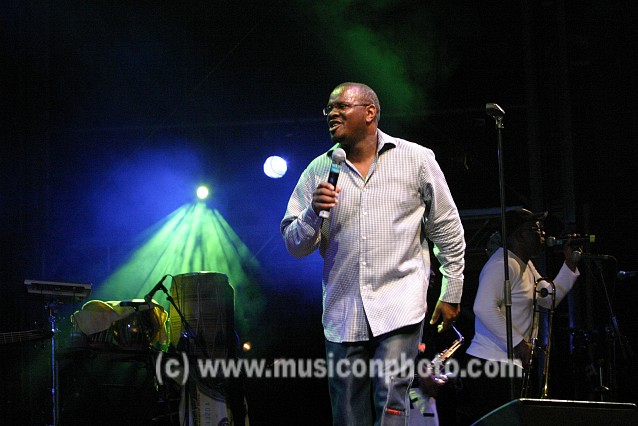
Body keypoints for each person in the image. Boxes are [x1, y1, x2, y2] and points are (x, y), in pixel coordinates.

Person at [280, 82, 466, 426]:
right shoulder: (318, 170)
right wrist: (312, 212)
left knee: (390, 401)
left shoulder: (416, 159)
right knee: (348, 414)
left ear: (370, 113)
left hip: (400, 303)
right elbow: (295, 246)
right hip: (343, 311)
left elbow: (446, 227)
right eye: (329, 109)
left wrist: (451, 290)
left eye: (341, 106)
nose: (332, 114)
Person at [458, 208, 580, 424]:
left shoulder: (525, 265)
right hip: (490, 364)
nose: (543, 234)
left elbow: (547, 299)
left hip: (505, 365)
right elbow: (483, 307)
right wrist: (518, 343)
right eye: (536, 229)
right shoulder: (503, 264)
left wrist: (569, 265)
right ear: (519, 234)